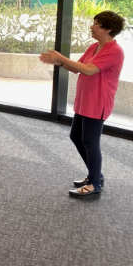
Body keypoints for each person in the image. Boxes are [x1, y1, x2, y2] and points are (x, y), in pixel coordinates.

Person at [39, 11, 125, 198]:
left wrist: (61, 57)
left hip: (98, 103)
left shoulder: (114, 51)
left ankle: (95, 183)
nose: (92, 26)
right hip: (85, 100)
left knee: (90, 142)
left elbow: (88, 70)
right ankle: (95, 175)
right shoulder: (94, 47)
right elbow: (77, 67)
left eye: (96, 24)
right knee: (76, 136)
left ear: (108, 29)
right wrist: (59, 62)